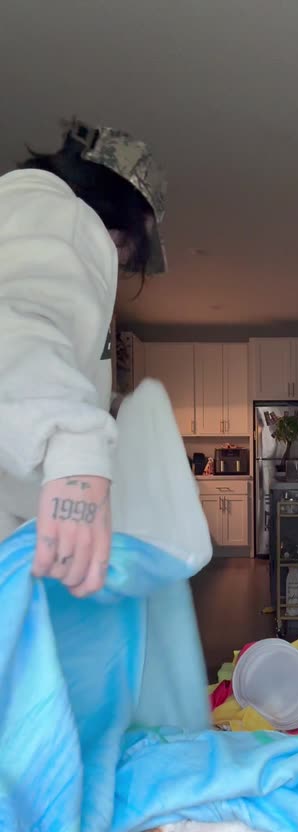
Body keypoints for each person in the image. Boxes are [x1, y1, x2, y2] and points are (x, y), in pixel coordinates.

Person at [0, 119, 167, 596]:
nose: (124, 262)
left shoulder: (18, 214)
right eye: (132, 247)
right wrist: (77, 456)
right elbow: (16, 327)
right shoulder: (66, 218)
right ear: (131, 219)